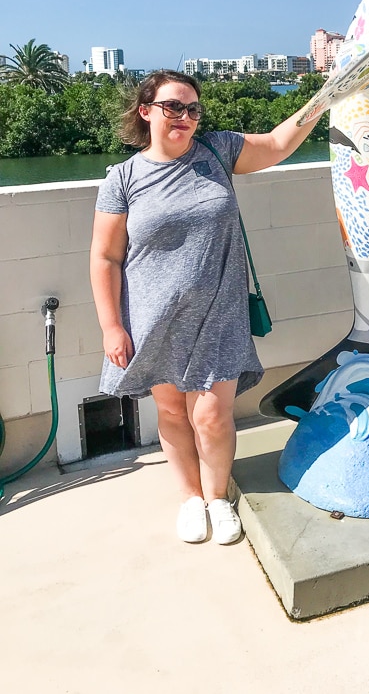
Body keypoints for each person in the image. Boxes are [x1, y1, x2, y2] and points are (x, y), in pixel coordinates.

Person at [89, 69, 322, 544]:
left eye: (193, 108)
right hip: (153, 317)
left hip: (220, 312)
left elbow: (278, 144)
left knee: (211, 416)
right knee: (173, 413)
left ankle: (218, 497)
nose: (185, 117)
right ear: (146, 111)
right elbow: (106, 256)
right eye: (173, 106)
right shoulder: (124, 179)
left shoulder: (217, 151)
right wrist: (111, 326)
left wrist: (325, 99)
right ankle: (191, 499)